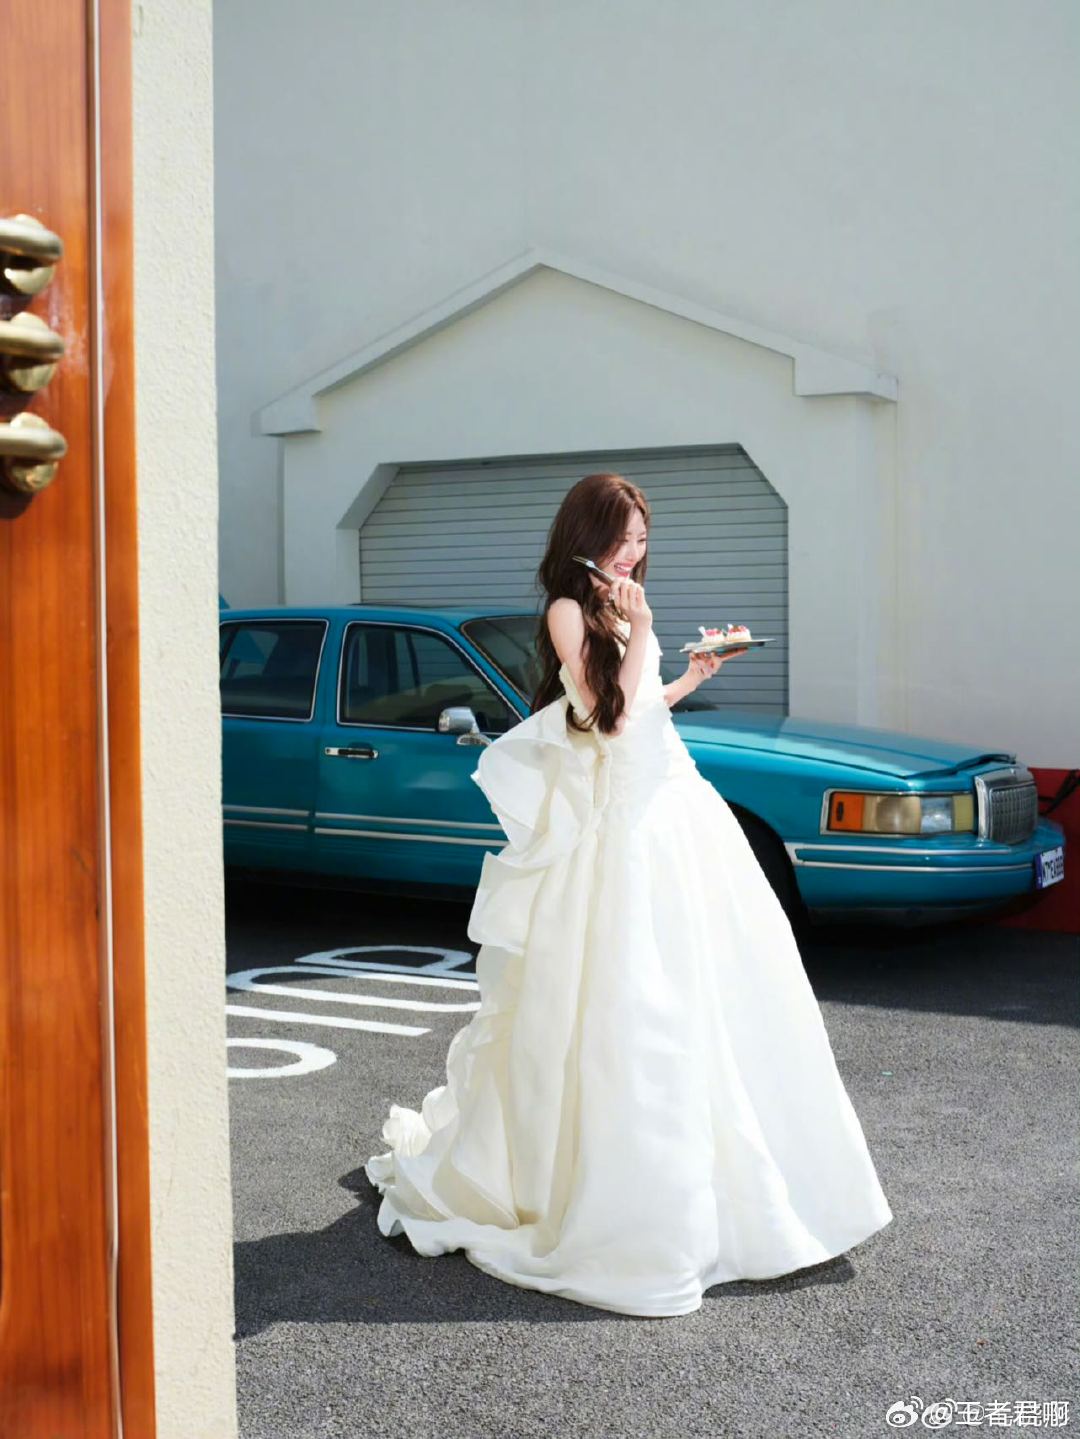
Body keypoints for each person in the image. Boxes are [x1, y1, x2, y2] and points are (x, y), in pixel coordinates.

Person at [364, 471, 893, 1317]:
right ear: (586, 537)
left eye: (642, 540)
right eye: (620, 540)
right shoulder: (568, 612)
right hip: (620, 834)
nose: (631, 554)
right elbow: (605, 723)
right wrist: (643, 631)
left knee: (711, 995)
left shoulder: (619, 609)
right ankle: (621, 1206)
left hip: (677, 814)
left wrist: (687, 677)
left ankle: (744, 1195)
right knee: (627, 1005)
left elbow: (642, 709)